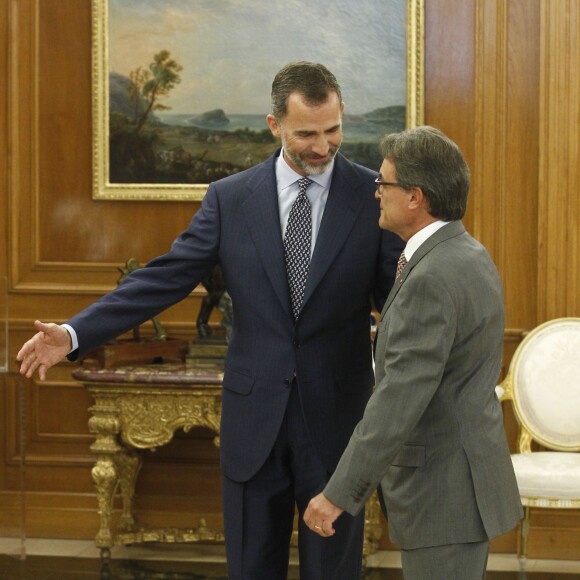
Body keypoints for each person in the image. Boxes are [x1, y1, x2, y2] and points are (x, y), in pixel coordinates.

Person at [17, 62, 404, 579]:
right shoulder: (229, 199)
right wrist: (73, 332)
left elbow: (401, 298)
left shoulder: (373, 193)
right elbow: (165, 278)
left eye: (333, 130)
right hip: (253, 427)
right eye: (306, 133)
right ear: (274, 125)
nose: (322, 146)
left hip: (338, 427)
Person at [304, 126, 523, 579]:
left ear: (415, 197)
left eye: (384, 183)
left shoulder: (431, 276)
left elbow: (398, 400)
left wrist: (338, 494)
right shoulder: (466, 253)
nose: (376, 193)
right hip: (459, 486)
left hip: (444, 492)